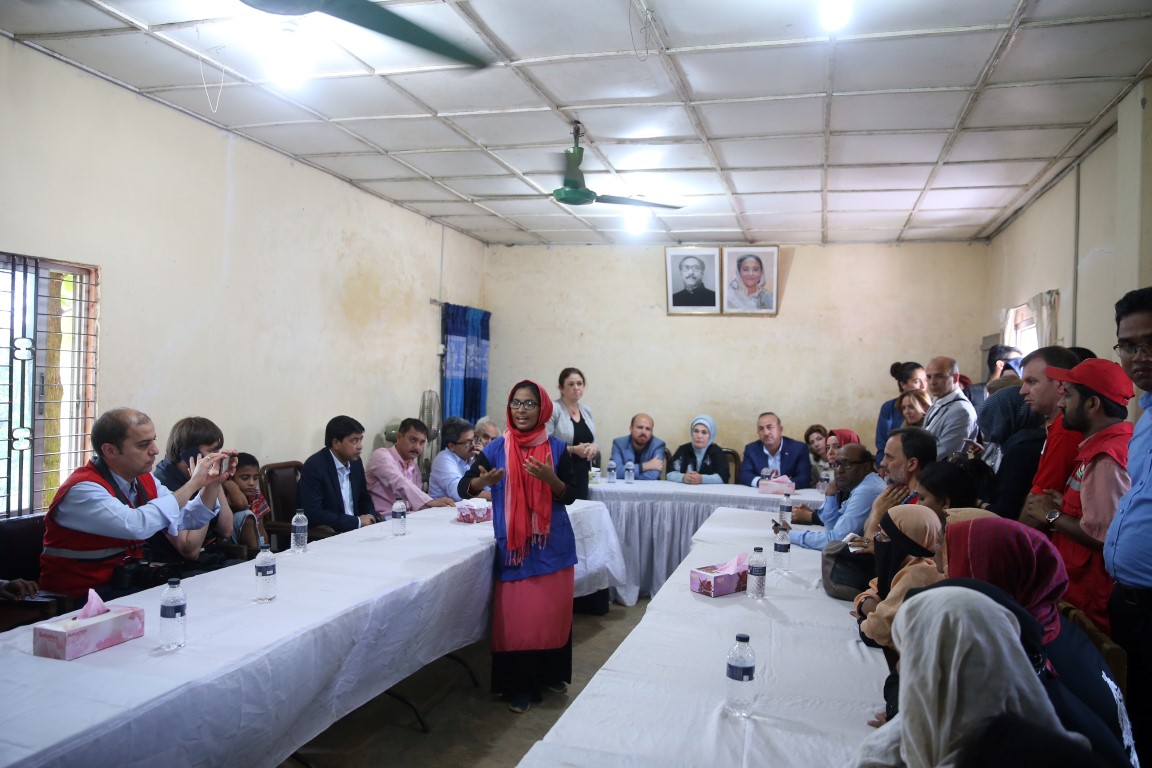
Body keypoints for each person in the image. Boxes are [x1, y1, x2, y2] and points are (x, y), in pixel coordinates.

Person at [947, 517, 1130, 754]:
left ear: (986, 573)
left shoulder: (1025, 662)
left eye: (952, 560)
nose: (944, 571)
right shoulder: (1046, 622)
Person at [854, 587, 1079, 768]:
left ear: (945, 664)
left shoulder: (1036, 757)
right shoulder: (962, 709)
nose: (900, 666)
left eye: (912, 653)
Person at [458, 380, 578, 714]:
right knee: (519, 621)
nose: (521, 410)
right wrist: (482, 482)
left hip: (552, 546)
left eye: (529, 404)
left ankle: (551, 675)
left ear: (543, 409)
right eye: (516, 403)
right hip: (514, 548)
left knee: (550, 618)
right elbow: (464, 486)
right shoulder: (496, 448)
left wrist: (550, 479)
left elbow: (571, 494)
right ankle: (519, 687)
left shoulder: (557, 448)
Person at [39, 408, 230, 597]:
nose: (155, 450)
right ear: (110, 450)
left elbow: (187, 518)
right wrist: (194, 483)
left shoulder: (144, 480)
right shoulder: (82, 490)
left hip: (125, 585)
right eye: (143, 444)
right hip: (79, 596)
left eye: (153, 440)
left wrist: (211, 484)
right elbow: (136, 525)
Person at [1022, 359, 1134, 633]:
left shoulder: (1105, 458)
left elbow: (1104, 536)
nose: (1061, 403)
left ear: (1092, 404)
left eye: (1069, 395)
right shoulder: (1109, 444)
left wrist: (1051, 515)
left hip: (1091, 597)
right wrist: (1067, 507)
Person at [1105, 285, 1152, 764]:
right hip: (1130, 601)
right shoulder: (1147, 418)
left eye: (1151, 343)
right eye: (1129, 345)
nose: (1140, 357)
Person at [151, 416, 249, 559]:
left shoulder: (207, 474)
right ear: (188, 453)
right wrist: (205, 486)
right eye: (212, 450)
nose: (218, 456)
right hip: (176, 565)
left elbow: (226, 529)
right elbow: (190, 550)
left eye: (218, 450)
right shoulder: (162, 483)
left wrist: (216, 481)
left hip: (213, 554)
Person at [854, 504, 942, 649]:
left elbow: (876, 631)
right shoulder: (907, 564)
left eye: (885, 536)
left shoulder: (918, 574)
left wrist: (862, 620)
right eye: (879, 533)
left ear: (905, 543)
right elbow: (872, 590)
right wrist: (868, 604)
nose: (877, 540)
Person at [777, 442, 884, 549]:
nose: (839, 470)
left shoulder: (867, 490)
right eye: (836, 464)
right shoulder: (865, 484)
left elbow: (837, 540)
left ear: (866, 467)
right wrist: (830, 494)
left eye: (847, 464)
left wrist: (788, 534)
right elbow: (833, 527)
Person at [1019, 345, 1083, 521]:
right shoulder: (1058, 425)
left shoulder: (1065, 430)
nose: (1022, 390)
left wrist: (1014, 538)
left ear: (1061, 384)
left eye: (1032, 381)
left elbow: (1040, 503)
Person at [298, 415, 379, 534]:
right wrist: (356, 522)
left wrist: (370, 516)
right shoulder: (314, 466)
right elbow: (314, 513)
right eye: (354, 441)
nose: (360, 446)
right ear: (336, 443)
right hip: (329, 535)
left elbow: (364, 497)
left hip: (357, 532)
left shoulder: (356, 463)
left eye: (360, 440)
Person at [977, 384, 1046, 517]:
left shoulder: (1021, 450)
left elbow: (1006, 510)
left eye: (993, 418)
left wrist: (977, 503)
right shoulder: (1036, 439)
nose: (988, 432)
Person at [366, 418, 455, 514]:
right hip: (384, 518)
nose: (417, 447)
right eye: (413, 440)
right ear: (399, 437)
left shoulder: (414, 467)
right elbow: (398, 482)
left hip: (407, 516)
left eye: (421, 443)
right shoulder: (381, 456)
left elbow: (416, 503)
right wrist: (430, 501)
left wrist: (438, 508)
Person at [863, 427, 937, 538]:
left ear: (912, 464)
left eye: (889, 457)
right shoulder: (895, 495)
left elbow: (873, 544)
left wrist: (877, 513)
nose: (882, 463)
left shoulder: (919, 507)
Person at [546, 367, 598, 499]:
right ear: (561, 388)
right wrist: (574, 450)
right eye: (571, 384)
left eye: (579, 383)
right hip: (560, 472)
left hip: (582, 473)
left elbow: (593, 440)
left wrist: (594, 447)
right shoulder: (553, 409)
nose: (576, 388)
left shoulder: (587, 410)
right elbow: (546, 444)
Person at [922, 356, 978, 459]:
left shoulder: (962, 410)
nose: (932, 382)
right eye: (929, 377)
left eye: (939, 376)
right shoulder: (937, 402)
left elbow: (945, 453)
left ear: (955, 378)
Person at [737, 412, 811, 488]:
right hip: (761, 492)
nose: (766, 433)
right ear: (758, 433)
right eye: (761, 429)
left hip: (788, 493)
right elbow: (744, 475)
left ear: (780, 429)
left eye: (769, 427)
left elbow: (804, 478)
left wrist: (783, 483)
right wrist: (763, 482)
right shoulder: (751, 449)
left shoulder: (798, 449)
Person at [875, 361, 928, 455]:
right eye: (916, 381)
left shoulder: (933, 406)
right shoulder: (889, 408)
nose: (923, 386)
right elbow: (882, 444)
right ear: (903, 384)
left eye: (925, 380)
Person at [429, 417, 485, 502]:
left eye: (474, 439)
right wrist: (497, 495)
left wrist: (483, 460)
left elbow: (488, 487)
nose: (474, 445)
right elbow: (460, 493)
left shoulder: (471, 458)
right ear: (452, 446)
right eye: (468, 442)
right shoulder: (443, 460)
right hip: (442, 509)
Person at [222, 452, 270, 548]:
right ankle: (253, 555)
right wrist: (228, 483)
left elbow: (260, 527)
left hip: (256, 543)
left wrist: (266, 550)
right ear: (231, 476)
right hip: (229, 544)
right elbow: (241, 504)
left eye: (255, 478)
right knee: (247, 515)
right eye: (245, 478)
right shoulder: (224, 496)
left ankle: (258, 553)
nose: (252, 483)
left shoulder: (256, 495)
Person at [667, 415, 729, 484]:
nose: (699, 436)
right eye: (696, 431)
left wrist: (702, 479)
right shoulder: (683, 450)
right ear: (691, 433)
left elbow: (724, 477)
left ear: (711, 435)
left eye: (704, 432)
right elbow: (669, 474)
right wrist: (683, 477)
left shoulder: (717, 452)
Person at [609, 413, 666, 480]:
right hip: (624, 485)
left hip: (648, 486)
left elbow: (654, 475)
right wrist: (645, 466)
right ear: (631, 429)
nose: (643, 432)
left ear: (651, 432)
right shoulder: (619, 443)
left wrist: (627, 473)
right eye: (640, 427)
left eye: (648, 429)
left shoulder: (658, 445)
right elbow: (615, 472)